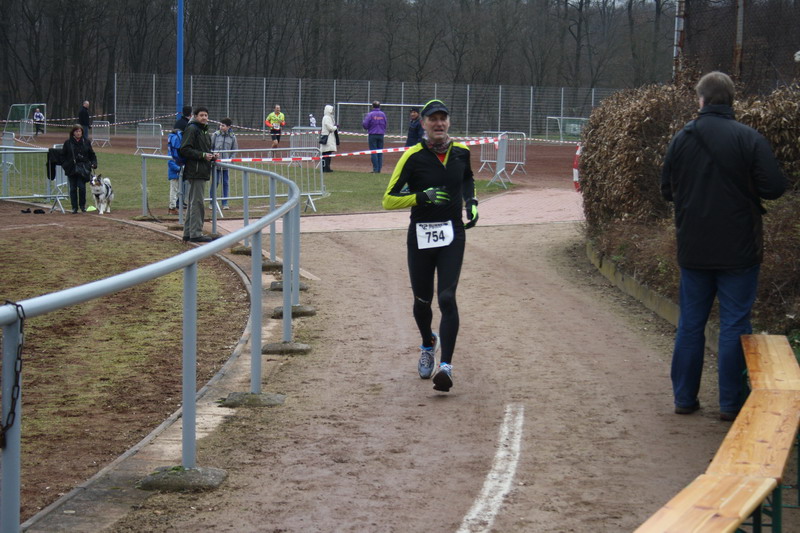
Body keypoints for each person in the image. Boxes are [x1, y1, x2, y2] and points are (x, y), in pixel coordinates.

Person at [661, 71, 786, 421]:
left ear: (700, 100)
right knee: (734, 324)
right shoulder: (749, 138)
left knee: (691, 324)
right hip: (739, 249)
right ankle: (731, 404)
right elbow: (774, 187)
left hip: (693, 247)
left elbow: (667, 190)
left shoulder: (682, 138)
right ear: (732, 100)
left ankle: (684, 398)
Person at [382, 99, 479, 393]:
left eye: (443, 119)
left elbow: (467, 179)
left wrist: (471, 202)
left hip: (452, 234)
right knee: (422, 301)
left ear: (449, 122)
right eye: (433, 119)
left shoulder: (461, 152)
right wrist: (421, 197)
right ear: (423, 123)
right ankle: (428, 343)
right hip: (421, 236)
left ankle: (446, 367)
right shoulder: (412, 157)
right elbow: (388, 200)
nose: (439, 124)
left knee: (447, 298)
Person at [179, 107, 218, 243]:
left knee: (193, 203)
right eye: (201, 115)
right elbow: (185, 149)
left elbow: (203, 150)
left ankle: (188, 233)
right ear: (195, 116)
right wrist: (202, 155)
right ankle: (196, 233)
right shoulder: (192, 129)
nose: (204, 117)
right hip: (195, 171)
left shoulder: (204, 131)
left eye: (206, 115)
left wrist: (211, 155)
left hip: (201, 170)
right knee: (197, 203)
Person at [61, 125, 97, 214]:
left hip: (83, 168)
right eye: (76, 131)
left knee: (82, 187)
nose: (78, 133)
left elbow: (92, 154)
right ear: (73, 132)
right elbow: (63, 156)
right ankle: (74, 207)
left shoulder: (86, 142)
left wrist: (93, 163)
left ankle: (82, 206)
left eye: (80, 131)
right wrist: (66, 165)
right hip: (71, 168)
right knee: (73, 188)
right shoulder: (68, 143)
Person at [211, 118, 238, 209]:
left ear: (228, 127)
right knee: (215, 182)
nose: (221, 127)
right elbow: (211, 147)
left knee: (225, 183)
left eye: (223, 125)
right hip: (216, 164)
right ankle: (212, 202)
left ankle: (225, 203)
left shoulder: (232, 137)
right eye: (220, 125)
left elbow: (234, 150)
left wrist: (230, 160)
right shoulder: (215, 135)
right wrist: (213, 156)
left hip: (226, 164)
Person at [363, 101, 387, 173]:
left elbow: (365, 124)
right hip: (381, 134)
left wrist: (367, 128)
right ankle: (379, 169)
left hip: (373, 134)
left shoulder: (370, 114)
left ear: (372, 106)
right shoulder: (383, 114)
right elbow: (385, 123)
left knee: (374, 152)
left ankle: (375, 169)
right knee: (380, 152)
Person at [319, 105, 338, 173]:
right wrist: (335, 127)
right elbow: (330, 128)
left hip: (329, 137)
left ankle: (327, 167)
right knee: (326, 153)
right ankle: (325, 168)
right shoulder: (327, 118)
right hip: (327, 138)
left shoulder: (329, 117)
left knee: (328, 153)